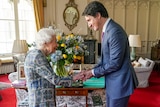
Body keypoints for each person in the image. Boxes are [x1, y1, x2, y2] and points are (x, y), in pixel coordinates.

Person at [73, 1, 138, 107]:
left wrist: (92, 73)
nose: (89, 25)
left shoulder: (115, 31)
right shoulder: (107, 30)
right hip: (113, 83)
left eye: (89, 20)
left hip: (119, 84)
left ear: (98, 15)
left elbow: (114, 63)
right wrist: (90, 71)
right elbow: (105, 61)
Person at [24, 28, 72, 107]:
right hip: (41, 103)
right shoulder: (37, 56)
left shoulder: (34, 54)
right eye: (55, 41)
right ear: (46, 42)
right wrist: (74, 78)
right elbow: (55, 79)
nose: (57, 45)